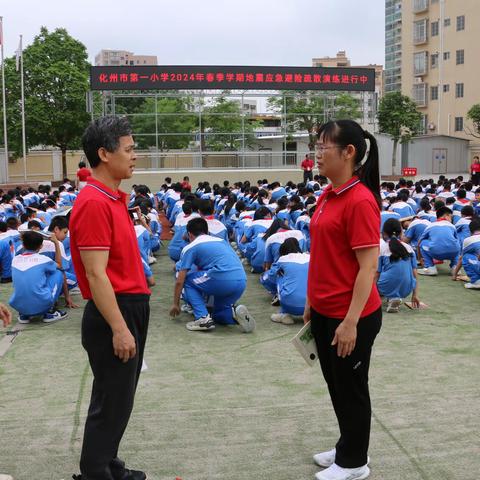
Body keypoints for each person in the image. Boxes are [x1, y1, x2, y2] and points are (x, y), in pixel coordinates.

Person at [70, 116, 150, 480]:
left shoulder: (111, 197)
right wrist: (119, 327)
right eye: (129, 149)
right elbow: (95, 273)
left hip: (129, 305)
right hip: (113, 310)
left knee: (120, 400)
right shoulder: (93, 202)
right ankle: (95, 472)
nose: (135, 156)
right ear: (104, 153)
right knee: (111, 401)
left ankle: (109, 464)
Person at [305, 120, 382, 480]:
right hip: (324, 309)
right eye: (316, 147)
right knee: (336, 386)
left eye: (323, 147)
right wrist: (311, 302)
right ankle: (346, 446)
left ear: (348, 152)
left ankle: (354, 463)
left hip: (351, 315)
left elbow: (367, 268)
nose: (317, 154)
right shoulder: (327, 194)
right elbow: (323, 255)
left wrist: (350, 321)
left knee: (351, 389)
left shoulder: (360, 201)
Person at [169, 217, 255, 333]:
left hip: (221, 279)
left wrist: (176, 304)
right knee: (219, 315)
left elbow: (180, 280)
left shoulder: (190, 247)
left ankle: (202, 318)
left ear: (189, 234)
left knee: (188, 280)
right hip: (241, 280)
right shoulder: (221, 241)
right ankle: (234, 314)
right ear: (207, 231)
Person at [9, 230, 67, 323]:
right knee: (58, 273)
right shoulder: (43, 260)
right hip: (41, 305)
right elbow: (60, 265)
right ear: (41, 246)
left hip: (19, 305)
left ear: (23, 245)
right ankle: (49, 312)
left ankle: (24, 315)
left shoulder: (15, 260)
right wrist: (56, 243)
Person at [376, 219, 420, 313]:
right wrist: (415, 295)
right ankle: (394, 298)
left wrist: (371, 293)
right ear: (401, 233)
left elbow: (376, 274)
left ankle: (390, 296)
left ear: (383, 233)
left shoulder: (381, 248)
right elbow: (415, 273)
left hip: (386, 285)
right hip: (407, 288)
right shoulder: (409, 248)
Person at [264, 237, 310, 325]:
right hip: (312, 305)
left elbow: (270, 276)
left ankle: (283, 313)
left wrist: (263, 277)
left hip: (290, 305)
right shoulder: (310, 257)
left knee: (279, 275)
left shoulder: (282, 259)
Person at [417, 206, 460, 276]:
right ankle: (455, 267)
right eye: (451, 217)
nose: (451, 219)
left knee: (423, 242)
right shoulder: (452, 226)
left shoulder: (430, 226)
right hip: (453, 252)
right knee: (456, 243)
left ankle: (430, 267)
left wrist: (419, 258)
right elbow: (456, 240)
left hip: (437, 253)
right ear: (446, 216)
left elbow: (419, 242)